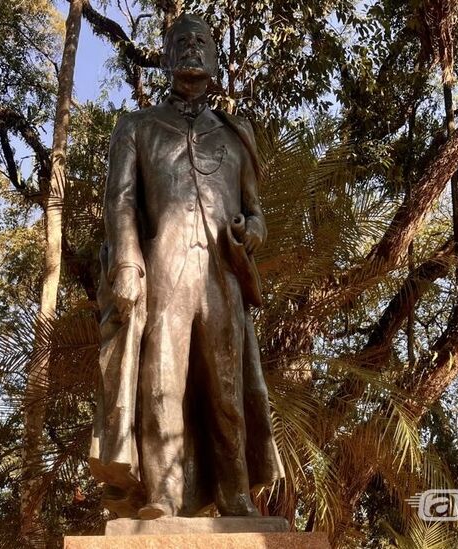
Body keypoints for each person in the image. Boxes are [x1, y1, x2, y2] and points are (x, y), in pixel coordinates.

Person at [89, 13, 283, 520]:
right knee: (160, 382)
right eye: (182, 42)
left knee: (227, 391)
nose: (192, 49)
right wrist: (127, 263)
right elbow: (121, 202)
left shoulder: (236, 135)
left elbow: (257, 212)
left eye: (202, 42)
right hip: (163, 267)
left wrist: (252, 231)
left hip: (221, 272)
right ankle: (163, 496)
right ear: (167, 55)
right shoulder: (137, 127)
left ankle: (236, 496)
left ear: (215, 58)